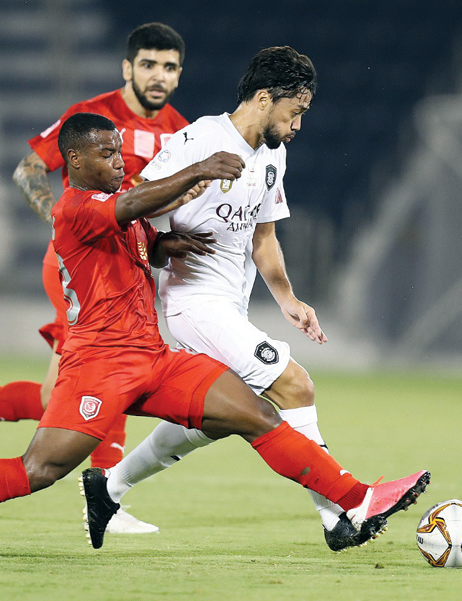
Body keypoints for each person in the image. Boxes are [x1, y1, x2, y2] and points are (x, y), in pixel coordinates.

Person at [0, 113, 429, 556]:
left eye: (117, 152)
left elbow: (132, 234)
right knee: (40, 470)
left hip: (154, 358)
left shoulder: (112, 207)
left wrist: (165, 245)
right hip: (98, 365)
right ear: (73, 160)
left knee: (258, 414)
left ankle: (356, 501)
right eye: (104, 155)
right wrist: (199, 168)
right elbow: (128, 206)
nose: (115, 161)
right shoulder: (75, 208)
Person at [0, 22, 190, 533]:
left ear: (180, 74)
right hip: (80, 268)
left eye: (169, 67)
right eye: (148, 64)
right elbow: (28, 170)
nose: (158, 76)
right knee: (109, 362)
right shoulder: (92, 119)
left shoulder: (179, 130)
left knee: (60, 400)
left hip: (128, 264)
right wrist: (62, 223)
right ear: (127, 68)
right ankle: (106, 493)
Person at [84, 46, 374, 552]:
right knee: (293, 385)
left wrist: (287, 297)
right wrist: (185, 191)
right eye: (295, 112)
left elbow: (262, 238)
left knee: (213, 420)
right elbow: (134, 205)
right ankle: (341, 512)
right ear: (265, 99)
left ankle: (108, 487)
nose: (298, 125)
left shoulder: (273, 155)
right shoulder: (198, 139)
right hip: (192, 304)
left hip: (228, 306)